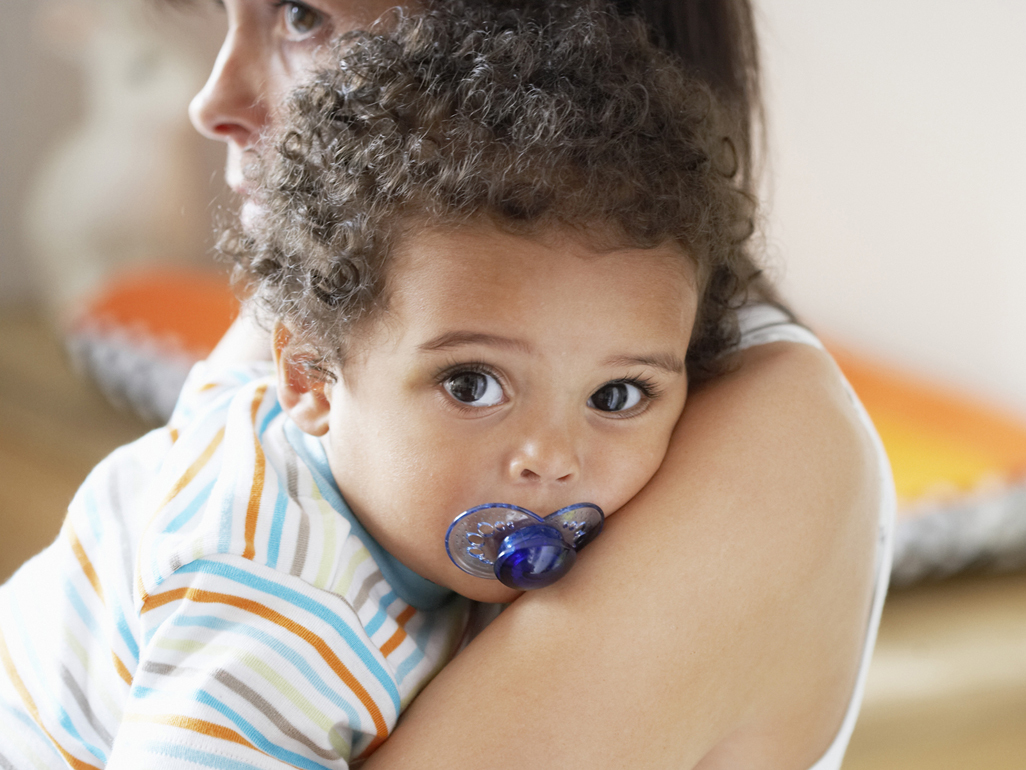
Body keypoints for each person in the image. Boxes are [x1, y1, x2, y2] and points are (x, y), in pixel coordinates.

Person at [6, 3, 894, 770]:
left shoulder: (766, 434)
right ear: (307, 372)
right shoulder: (277, 599)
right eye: (470, 384)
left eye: (302, 14)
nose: (213, 99)